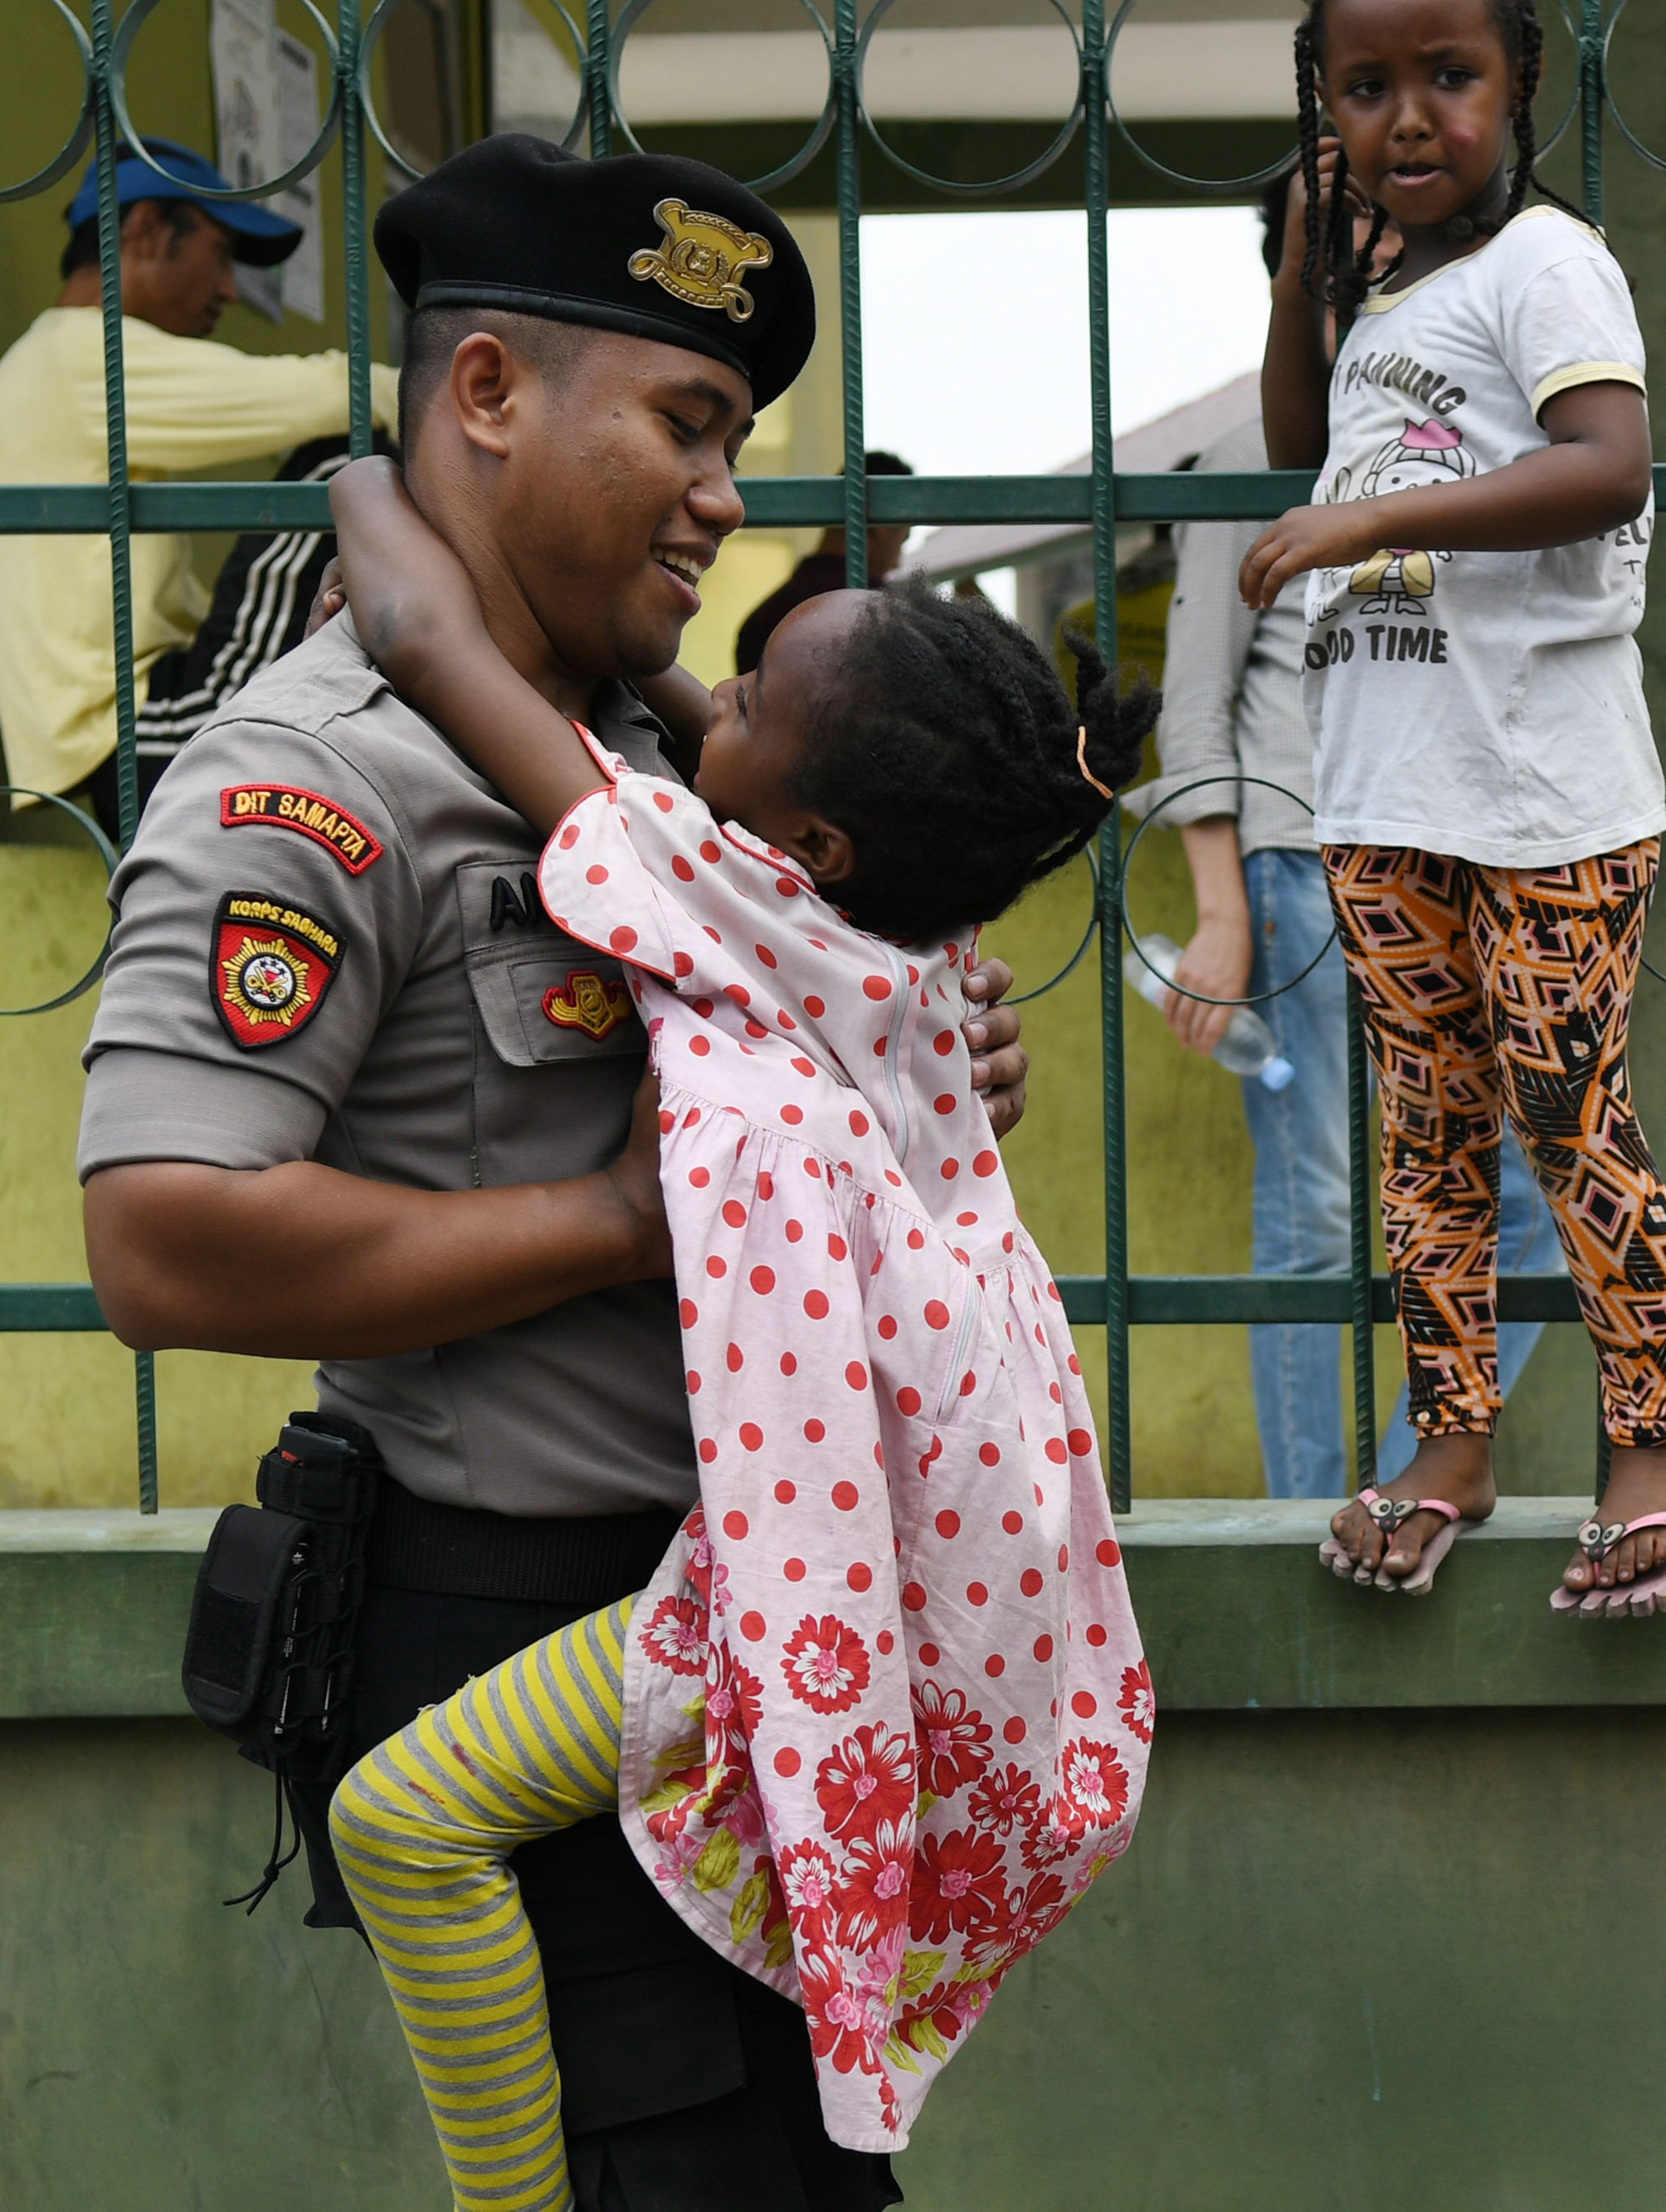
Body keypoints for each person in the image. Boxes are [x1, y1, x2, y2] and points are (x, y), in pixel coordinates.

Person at [78, 134, 1025, 2212]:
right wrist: (613, 1219)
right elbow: (160, 1230)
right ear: (488, 392)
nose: (727, 490)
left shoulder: (683, 757)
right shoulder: (317, 780)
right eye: (686, 423)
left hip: (751, 1660)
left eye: (739, 433)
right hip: (528, 1678)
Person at [320, 456, 1151, 2190]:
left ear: (808, 835)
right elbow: (742, 741)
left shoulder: (723, 904)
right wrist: (757, 702)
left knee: (398, 1819)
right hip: (968, 1576)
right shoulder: (883, 932)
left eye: (750, 689)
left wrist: (367, 459)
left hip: (831, 1589)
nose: (705, 689)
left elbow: (407, 621)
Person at [1252, 0, 1666, 1615]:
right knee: (1425, 1130)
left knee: (1560, 1109)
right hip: (1387, 785)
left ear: (1517, 82)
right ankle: (1451, 1435)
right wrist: (1302, 259)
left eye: (1444, 78)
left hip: (1546, 792)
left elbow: (1605, 465)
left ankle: (1649, 1440)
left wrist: (1360, 521)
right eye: (1361, 87)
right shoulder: (1390, 295)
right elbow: (1297, 439)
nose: (1403, 119)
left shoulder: (1547, 264)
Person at [1152, 175, 1558, 1501]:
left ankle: (1401, 1483)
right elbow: (1197, 695)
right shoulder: (1245, 468)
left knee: (1534, 1212)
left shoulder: (1463, 453)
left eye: (1405, 244)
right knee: (1320, 1208)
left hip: (1458, 856)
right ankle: (1306, 1510)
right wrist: (1221, 906)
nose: (1385, 267)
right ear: (1298, 277)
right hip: (1304, 865)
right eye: (1348, 247)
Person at [0, 137, 397, 835]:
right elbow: (339, 392)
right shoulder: (81, 359)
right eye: (220, 257)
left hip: (122, 736)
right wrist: (472, 412)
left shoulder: (62, 363)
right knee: (342, 461)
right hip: (135, 732)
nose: (228, 290)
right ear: (141, 233)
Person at [735, 452, 914, 672]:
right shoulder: (888, 616)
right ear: (881, 527)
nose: (897, 563)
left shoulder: (763, 619)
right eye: (902, 540)